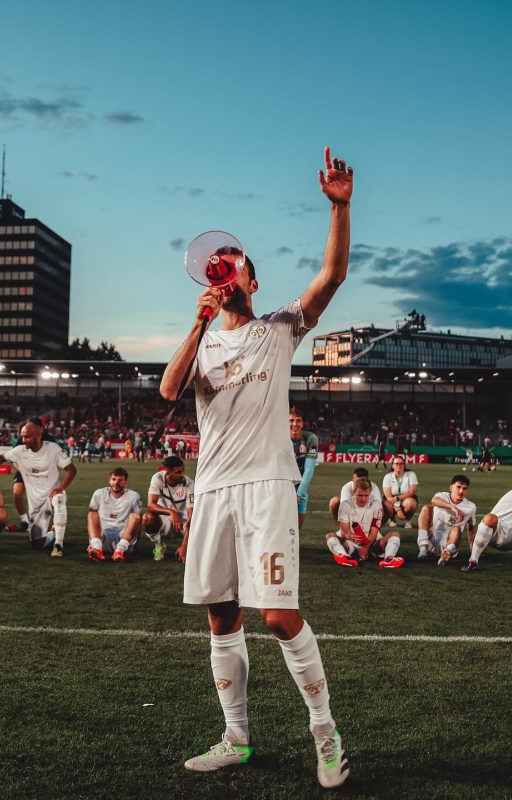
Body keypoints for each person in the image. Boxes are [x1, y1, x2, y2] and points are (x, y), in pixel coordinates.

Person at [161, 146, 352, 787]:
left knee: (276, 615)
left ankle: (325, 734)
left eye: (237, 266)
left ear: (252, 279)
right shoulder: (205, 337)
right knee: (221, 614)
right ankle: (236, 738)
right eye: (221, 270)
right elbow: (167, 391)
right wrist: (196, 326)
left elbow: (330, 278)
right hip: (213, 489)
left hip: (268, 485)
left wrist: (339, 209)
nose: (228, 274)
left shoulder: (279, 328)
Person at [0, 420, 76, 558]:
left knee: (59, 499)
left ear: (38, 435)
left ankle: (58, 545)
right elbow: (1, 458)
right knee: (37, 544)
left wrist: (61, 488)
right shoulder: (20, 451)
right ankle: (53, 532)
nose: (23, 440)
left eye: (27, 436)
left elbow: (72, 470)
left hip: (51, 497)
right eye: (22, 436)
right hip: (35, 506)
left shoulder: (53, 448)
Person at [143, 456, 194, 561]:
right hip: (165, 518)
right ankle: (159, 546)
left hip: (183, 522)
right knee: (147, 518)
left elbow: (191, 516)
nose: (182, 475)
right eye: (178, 472)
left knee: (198, 523)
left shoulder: (189, 483)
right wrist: (171, 512)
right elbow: (150, 505)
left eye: (182, 471)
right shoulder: (158, 478)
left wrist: (184, 546)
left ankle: (187, 547)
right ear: (168, 472)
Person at [416, 475, 476, 565]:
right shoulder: (442, 496)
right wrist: (453, 507)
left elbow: (471, 528)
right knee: (426, 508)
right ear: (451, 487)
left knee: (456, 528)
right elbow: (434, 500)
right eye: (458, 487)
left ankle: (446, 553)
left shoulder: (470, 507)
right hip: (431, 537)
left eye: (464, 488)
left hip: (448, 541)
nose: (461, 491)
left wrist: (473, 551)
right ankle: (423, 549)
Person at [86, 467, 142, 562]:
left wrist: (135, 544)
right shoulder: (99, 493)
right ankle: (97, 548)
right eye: (114, 479)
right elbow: (92, 519)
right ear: (109, 480)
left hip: (123, 536)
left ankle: (119, 552)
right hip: (102, 536)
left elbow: (138, 524)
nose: (116, 483)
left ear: (126, 482)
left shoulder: (134, 496)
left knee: (136, 516)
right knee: (92, 514)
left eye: (120, 480)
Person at [325, 478, 383, 567]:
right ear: (353, 492)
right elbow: (345, 532)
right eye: (360, 495)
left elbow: (374, 532)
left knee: (395, 534)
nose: (363, 499)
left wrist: (365, 548)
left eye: (366, 495)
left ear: (370, 493)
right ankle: (343, 556)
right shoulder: (345, 504)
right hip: (350, 543)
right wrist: (351, 537)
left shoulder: (376, 505)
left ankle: (389, 559)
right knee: (329, 536)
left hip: (370, 543)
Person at [289, 408, 318, 529]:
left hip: (300, 483)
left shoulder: (311, 439)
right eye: (291, 420)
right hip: (282, 482)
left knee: (297, 525)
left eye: (298, 420)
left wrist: (299, 494)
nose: (295, 424)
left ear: (302, 423)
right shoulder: (279, 437)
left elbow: (309, 469)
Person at [382, 455, 419, 529]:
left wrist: (397, 499)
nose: (399, 465)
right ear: (392, 466)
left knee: (411, 504)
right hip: (391, 499)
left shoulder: (411, 474)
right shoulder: (388, 477)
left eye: (401, 463)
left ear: (404, 465)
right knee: (386, 504)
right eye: (396, 463)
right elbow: (388, 497)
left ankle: (407, 520)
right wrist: (397, 509)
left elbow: (411, 492)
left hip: (406, 497)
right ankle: (392, 518)